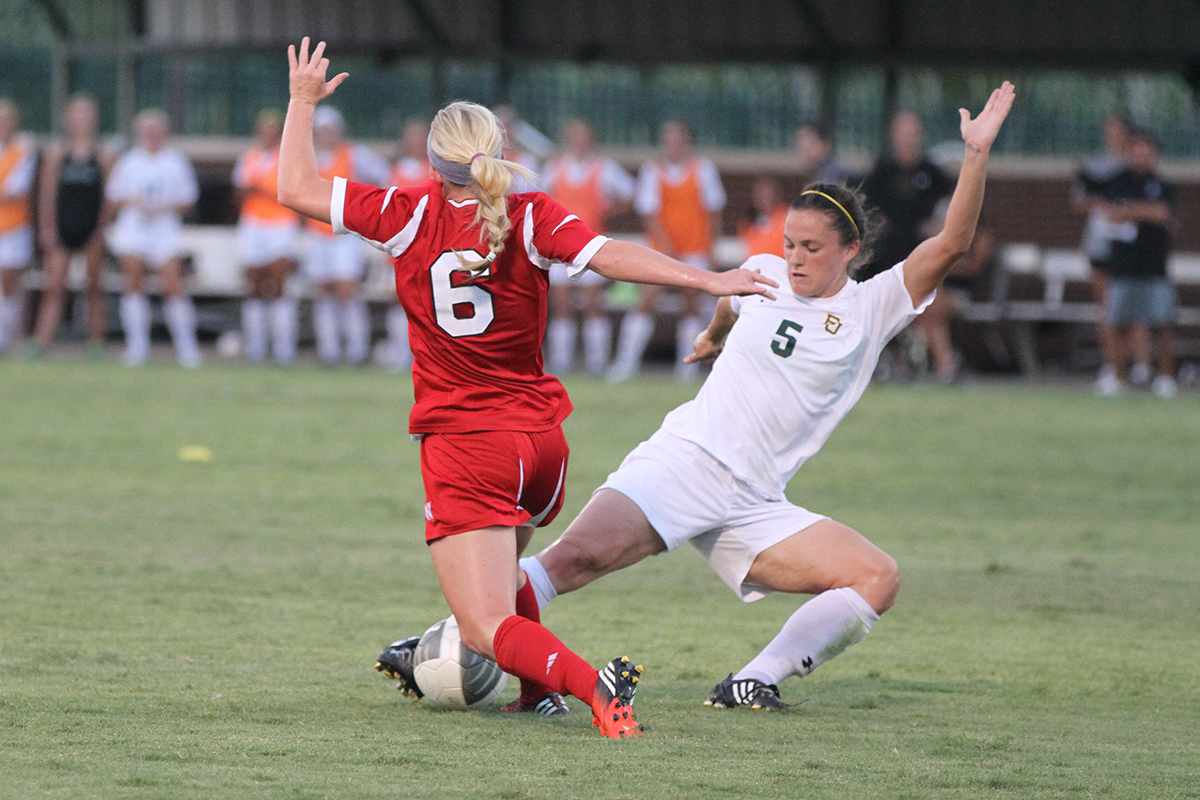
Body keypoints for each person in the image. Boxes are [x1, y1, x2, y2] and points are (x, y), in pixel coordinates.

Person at [278, 38, 774, 738]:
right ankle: (539, 693)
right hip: (541, 445)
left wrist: (302, 102)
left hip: (468, 441)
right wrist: (709, 278)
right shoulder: (533, 212)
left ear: (433, 160)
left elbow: (293, 188)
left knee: (483, 626)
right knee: (505, 573)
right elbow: (612, 257)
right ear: (498, 149)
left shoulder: (405, 212)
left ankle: (592, 687)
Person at [503, 84, 1010, 709]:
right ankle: (439, 648)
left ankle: (753, 680)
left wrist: (976, 154)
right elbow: (731, 295)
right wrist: (714, 333)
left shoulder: (871, 307)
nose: (793, 259)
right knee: (567, 564)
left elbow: (952, 244)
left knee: (877, 578)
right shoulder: (764, 272)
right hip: (688, 460)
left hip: (754, 501)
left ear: (851, 251)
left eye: (812, 248)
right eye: (790, 243)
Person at [609, 120, 727, 382]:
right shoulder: (653, 170)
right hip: (662, 250)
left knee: (691, 304)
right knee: (647, 300)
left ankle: (686, 367)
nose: (673, 144)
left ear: (687, 141)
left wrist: (711, 248)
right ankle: (625, 364)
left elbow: (713, 211)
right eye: (669, 139)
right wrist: (668, 246)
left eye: (678, 138)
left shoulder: (703, 169)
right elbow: (648, 213)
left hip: (695, 248)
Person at [106, 109, 201, 367]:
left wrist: (163, 206)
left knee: (173, 286)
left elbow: (188, 200)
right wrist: (135, 202)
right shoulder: (128, 161)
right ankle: (137, 348)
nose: (151, 135)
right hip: (134, 228)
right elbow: (114, 197)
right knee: (133, 284)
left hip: (164, 229)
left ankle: (187, 349)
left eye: (155, 129)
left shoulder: (176, 162)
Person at [542, 119, 636, 375]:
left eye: (584, 137)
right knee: (561, 305)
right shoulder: (555, 168)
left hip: (591, 244)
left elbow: (630, 193)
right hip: (560, 247)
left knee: (594, 305)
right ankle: (562, 362)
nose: (579, 143)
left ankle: (597, 362)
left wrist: (609, 210)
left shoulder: (604, 168)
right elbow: (540, 196)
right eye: (575, 137)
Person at [303, 104, 390, 365]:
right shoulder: (311, 158)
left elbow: (383, 178)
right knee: (323, 291)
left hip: (345, 233)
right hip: (317, 234)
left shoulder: (354, 155)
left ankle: (356, 351)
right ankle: (329, 351)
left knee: (347, 290)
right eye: (321, 130)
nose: (325, 135)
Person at [1095, 130, 1177, 399]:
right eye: (1136, 150)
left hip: (1155, 266)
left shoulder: (1163, 185)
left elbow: (1162, 213)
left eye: (1147, 150)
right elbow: (1107, 215)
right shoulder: (1115, 184)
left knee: (1162, 323)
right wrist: (1144, 212)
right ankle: (1117, 376)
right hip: (1122, 266)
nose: (1142, 156)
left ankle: (1165, 378)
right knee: (1115, 322)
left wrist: (1130, 211)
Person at [31, 94, 114, 358]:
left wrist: (103, 227)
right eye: (76, 115)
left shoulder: (104, 155)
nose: (82, 121)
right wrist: (47, 228)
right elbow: (47, 194)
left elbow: (109, 196)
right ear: (68, 119)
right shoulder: (57, 154)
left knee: (94, 287)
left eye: (86, 115)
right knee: (54, 286)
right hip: (63, 227)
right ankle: (40, 341)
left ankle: (96, 341)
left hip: (92, 228)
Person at [1071, 115, 1134, 394]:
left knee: (1130, 309)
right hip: (1100, 244)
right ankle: (1112, 365)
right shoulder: (1096, 165)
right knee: (1106, 308)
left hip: (1131, 248)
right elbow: (1078, 202)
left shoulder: (1135, 167)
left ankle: (1134, 365)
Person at [234, 108, 302, 365]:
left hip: (281, 224)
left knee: (279, 284)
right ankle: (256, 348)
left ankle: (284, 350)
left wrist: (259, 191)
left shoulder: (290, 158)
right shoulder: (249, 157)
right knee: (254, 285)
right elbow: (240, 192)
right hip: (253, 224)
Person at [378, 119, 434, 372]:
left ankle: (428, 357)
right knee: (398, 299)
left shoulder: (436, 170)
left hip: (429, 244)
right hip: (400, 244)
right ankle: (401, 353)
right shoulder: (393, 170)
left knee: (428, 301)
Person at [0, 99, 36, 356]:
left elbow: (14, 191)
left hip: (12, 228)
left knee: (10, 284)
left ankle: (7, 339)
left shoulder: (22, 152)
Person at [738, 177, 789, 260]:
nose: (764, 199)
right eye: (760, 195)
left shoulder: (787, 216)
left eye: (768, 195)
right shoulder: (748, 223)